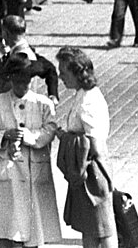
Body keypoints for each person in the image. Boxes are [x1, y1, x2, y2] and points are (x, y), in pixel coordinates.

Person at [0, 56, 60, 248]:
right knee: (6, 228)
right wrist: (5, 135)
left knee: (33, 229)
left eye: (26, 80)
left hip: (34, 170)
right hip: (6, 172)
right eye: (17, 80)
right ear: (10, 79)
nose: (22, 85)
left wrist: (30, 137)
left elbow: (50, 130)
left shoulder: (42, 104)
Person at [53, 47, 115, 248]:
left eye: (64, 71)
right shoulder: (83, 94)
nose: (60, 76)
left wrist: (65, 138)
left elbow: (94, 144)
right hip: (87, 169)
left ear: (79, 73)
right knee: (90, 227)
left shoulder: (88, 101)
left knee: (102, 228)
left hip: (92, 170)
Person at [1, 15, 59, 102]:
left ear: (5, 33)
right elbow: (50, 68)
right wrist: (53, 94)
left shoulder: (22, 56)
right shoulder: (27, 51)